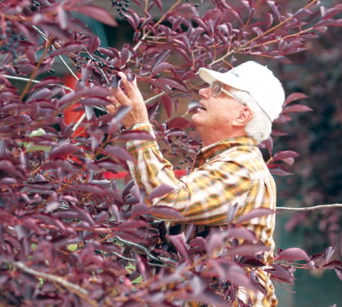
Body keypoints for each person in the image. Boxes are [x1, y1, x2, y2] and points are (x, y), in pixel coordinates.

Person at [107, 61, 285, 306]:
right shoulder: (223, 163)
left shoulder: (242, 167)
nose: (203, 91)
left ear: (242, 115)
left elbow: (168, 200)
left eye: (219, 90)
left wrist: (138, 126)